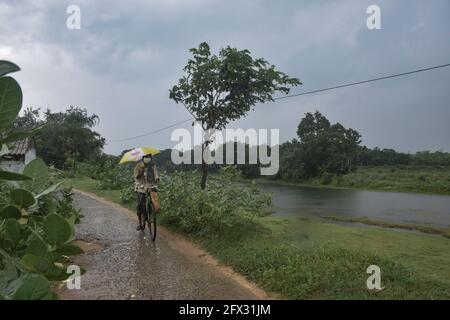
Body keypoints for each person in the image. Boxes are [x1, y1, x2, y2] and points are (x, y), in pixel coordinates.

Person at [134, 154, 159, 231]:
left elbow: (155, 173)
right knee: (140, 205)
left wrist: (157, 178)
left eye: (149, 158)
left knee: (154, 197)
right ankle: (140, 223)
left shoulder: (152, 165)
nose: (147, 159)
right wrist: (142, 171)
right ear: (143, 158)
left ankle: (152, 211)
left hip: (150, 185)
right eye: (146, 158)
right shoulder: (138, 165)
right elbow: (136, 176)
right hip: (140, 186)